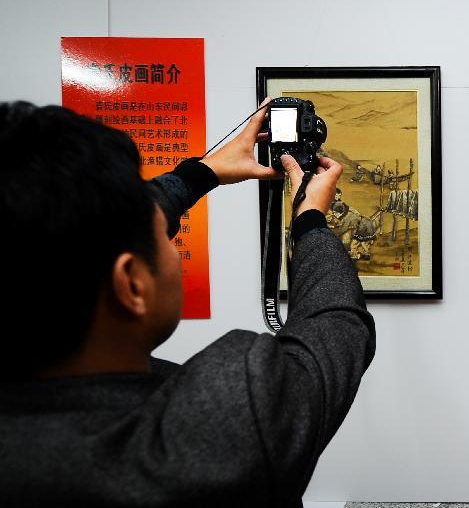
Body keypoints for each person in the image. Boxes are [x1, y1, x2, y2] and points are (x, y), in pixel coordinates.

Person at [0, 100, 375, 507]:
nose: (169, 240)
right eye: (163, 236)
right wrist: (310, 220)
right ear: (132, 285)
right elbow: (335, 322)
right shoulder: (224, 425)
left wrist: (201, 173)